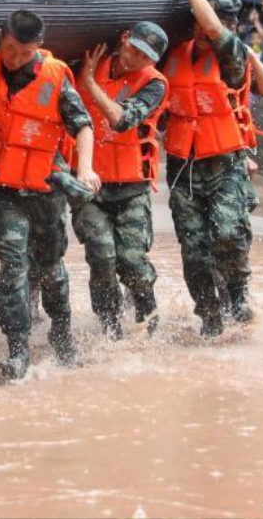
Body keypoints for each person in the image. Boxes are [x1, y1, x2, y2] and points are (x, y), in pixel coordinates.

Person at [0, 10, 98, 380]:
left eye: (24, 52)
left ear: (39, 47)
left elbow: (82, 124)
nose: (15, 58)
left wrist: (84, 169)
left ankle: (62, 333)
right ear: (0, 37)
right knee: (13, 266)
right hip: (2, 190)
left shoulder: (55, 75)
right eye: (10, 49)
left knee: (51, 268)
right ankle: (17, 350)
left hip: (46, 188)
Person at [159, 0, 256, 337]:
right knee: (195, 252)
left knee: (228, 233)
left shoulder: (231, 54)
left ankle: (237, 293)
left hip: (224, 163)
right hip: (184, 167)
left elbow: (217, 31)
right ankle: (210, 316)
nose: (207, 29)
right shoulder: (173, 53)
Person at [73, 22, 169, 339]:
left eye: (145, 57)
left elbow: (122, 120)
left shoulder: (155, 83)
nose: (135, 60)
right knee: (102, 257)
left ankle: (148, 322)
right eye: (134, 50)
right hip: (91, 187)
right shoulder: (88, 61)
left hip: (131, 188)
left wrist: (89, 82)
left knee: (132, 263)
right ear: (124, 40)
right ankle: (110, 330)